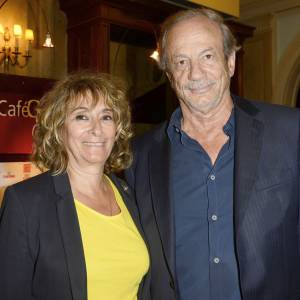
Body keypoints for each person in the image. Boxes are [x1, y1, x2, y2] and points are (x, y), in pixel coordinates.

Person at [125, 8, 300, 300]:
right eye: (182, 61)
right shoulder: (140, 156)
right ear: (170, 75)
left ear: (230, 62)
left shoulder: (290, 132)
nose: (195, 74)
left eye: (207, 56)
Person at [0, 72, 150, 300]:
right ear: (59, 129)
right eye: (82, 117)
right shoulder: (26, 201)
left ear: (117, 129)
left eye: (106, 117)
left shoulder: (129, 194)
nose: (96, 129)